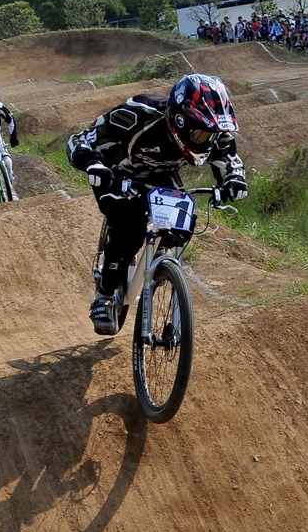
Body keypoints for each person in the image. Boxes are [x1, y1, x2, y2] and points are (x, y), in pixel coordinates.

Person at [66, 73, 247, 335]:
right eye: (199, 132)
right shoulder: (137, 115)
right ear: (179, 120)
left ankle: (162, 267)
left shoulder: (211, 133)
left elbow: (228, 156)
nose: (207, 139)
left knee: (182, 228)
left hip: (160, 176)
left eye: (211, 133)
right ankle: (105, 295)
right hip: (116, 172)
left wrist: (234, 179)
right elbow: (80, 139)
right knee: (129, 229)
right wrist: (91, 163)